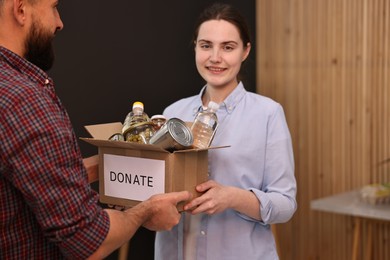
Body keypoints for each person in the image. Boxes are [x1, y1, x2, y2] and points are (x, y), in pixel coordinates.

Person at [0, 0, 191, 259]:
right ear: (21, 10)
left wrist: (108, 167)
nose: (59, 23)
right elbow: (89, 240)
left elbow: (32, 176)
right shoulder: (26, 100)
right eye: (54, 7)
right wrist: (146, 211)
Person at [155, 3, 297, 260]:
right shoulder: (172, 113)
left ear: (245, 51)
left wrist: (233, 197)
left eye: (228, 47)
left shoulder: (268, 114)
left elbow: (285, 205)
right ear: (195, 47)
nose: (215, 57)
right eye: (206, 45)